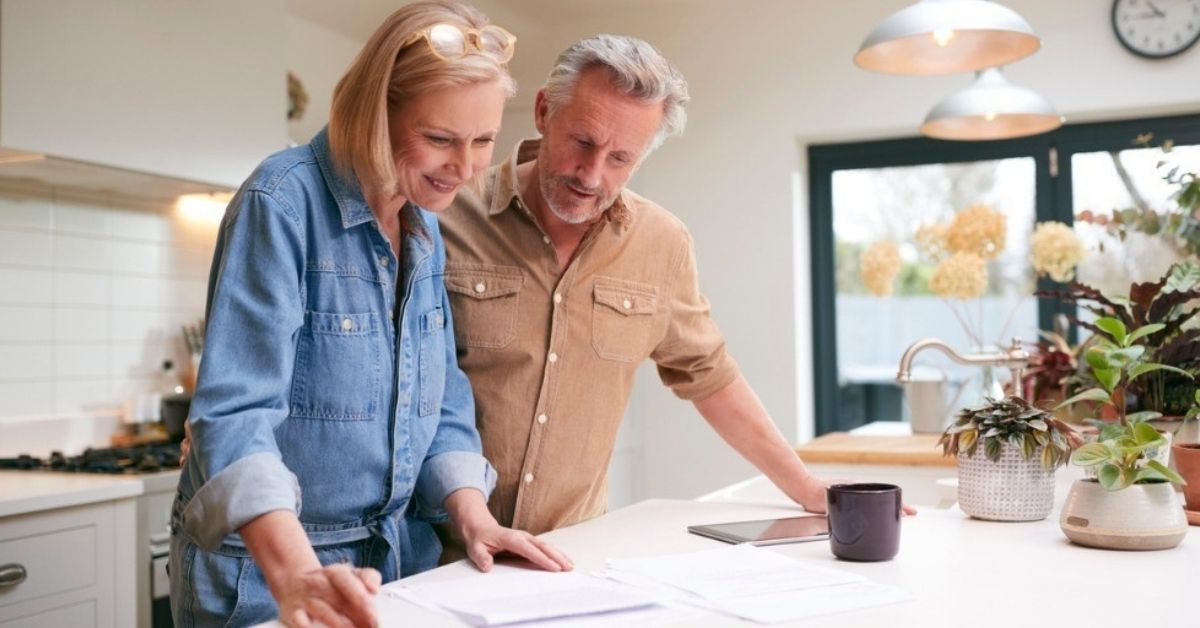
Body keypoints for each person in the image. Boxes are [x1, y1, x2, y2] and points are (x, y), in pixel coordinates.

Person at [170, 3, 570, 627]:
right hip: (269, 573)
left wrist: (475, 518)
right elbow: (236, 415)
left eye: (483, 140)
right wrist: (297, 574)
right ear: (373, 114)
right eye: (439, 139)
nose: (465, 168)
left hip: (396, 560)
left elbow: (439, 403)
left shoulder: (423, 228)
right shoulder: (280, 203)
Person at [438, 34, 915, 541]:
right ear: (542, 111)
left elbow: (710, 376)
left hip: (570, 548)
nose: (592, 174)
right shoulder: (446, 214)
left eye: (621, 158)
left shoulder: (661, 244)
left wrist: (805, 485)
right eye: (583, 141)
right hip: (435, 551)